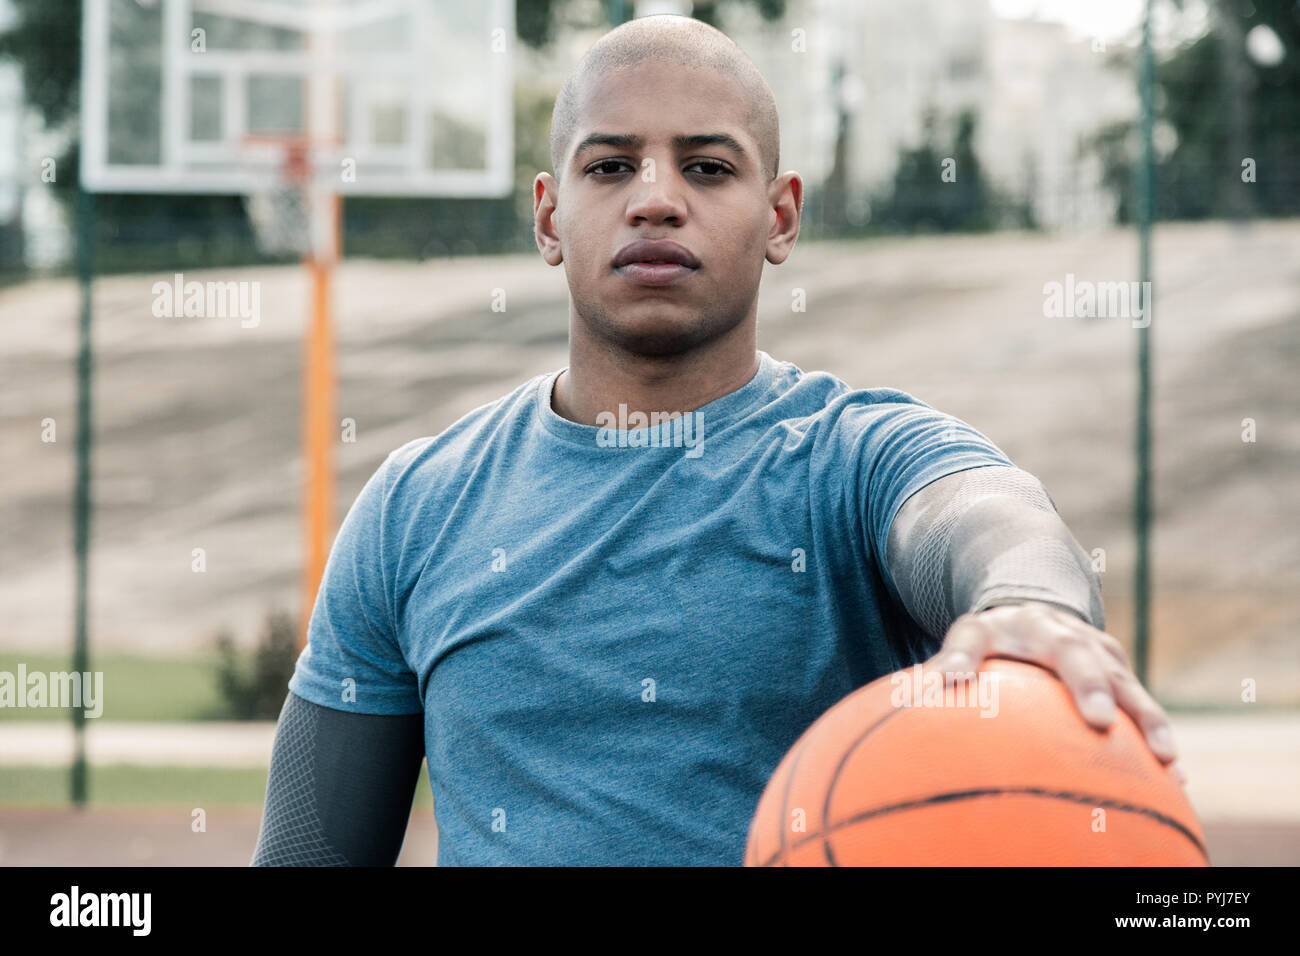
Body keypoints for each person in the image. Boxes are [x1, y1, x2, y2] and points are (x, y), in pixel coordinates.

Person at [252, 14, 1180, 867]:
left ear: (779, 215)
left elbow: (983, 511)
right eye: (610, 166)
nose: (655, 200)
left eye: (707, 167)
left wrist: (1027, 603)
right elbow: (307, 857)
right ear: (548, 217)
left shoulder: (855, 460)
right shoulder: (417, 508)